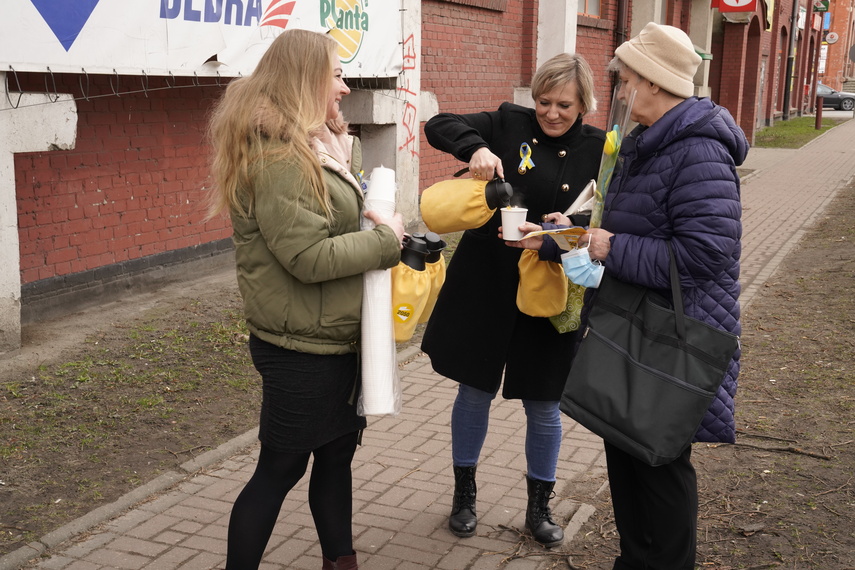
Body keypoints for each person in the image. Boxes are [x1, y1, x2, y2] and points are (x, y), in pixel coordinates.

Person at [511, 22, 748, 569]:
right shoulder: (650, 142)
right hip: (633, 333)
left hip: (665, 344)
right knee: (627, 459)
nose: (619, 91)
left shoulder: (698, 152)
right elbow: (635, 227)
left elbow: (706, 254)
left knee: (658, 473)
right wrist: (573, 234)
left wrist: (610, 247)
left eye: (627, 80)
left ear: (656, 84)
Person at [206, 29, 404, 570]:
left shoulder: (318, 145)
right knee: (279, 470)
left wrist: (373, 224)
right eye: (336, 75)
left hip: (332, 338)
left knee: (336, 459)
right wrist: (386, 241)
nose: (344, 88)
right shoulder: (279, 158)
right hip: (300, 350)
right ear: (305, 80)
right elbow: (307, 257)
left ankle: (342, 562)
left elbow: (326, 229)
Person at [421, 53, 605, 547]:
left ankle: (539, 508)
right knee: (474, 391)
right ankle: (464, 496)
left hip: (551, 288)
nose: (551, 113)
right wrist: (475, 148)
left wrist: (559, 236)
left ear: (584, 103)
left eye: (564, 104)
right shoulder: (508, 122)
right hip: (486, 281)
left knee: (544, 404)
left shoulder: (599, 149)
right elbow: (439, 123)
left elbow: (594, 232)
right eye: (543, 101)